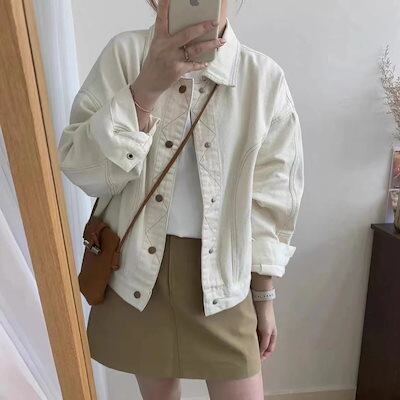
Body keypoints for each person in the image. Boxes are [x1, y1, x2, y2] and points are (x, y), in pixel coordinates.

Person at [58, 0, 305, 398]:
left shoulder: (263, 79)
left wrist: (264, 296)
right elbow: (83, 169)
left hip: (222, 280)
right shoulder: (125, 56)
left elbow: (269, 201)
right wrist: (145, 89)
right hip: (137, 275)